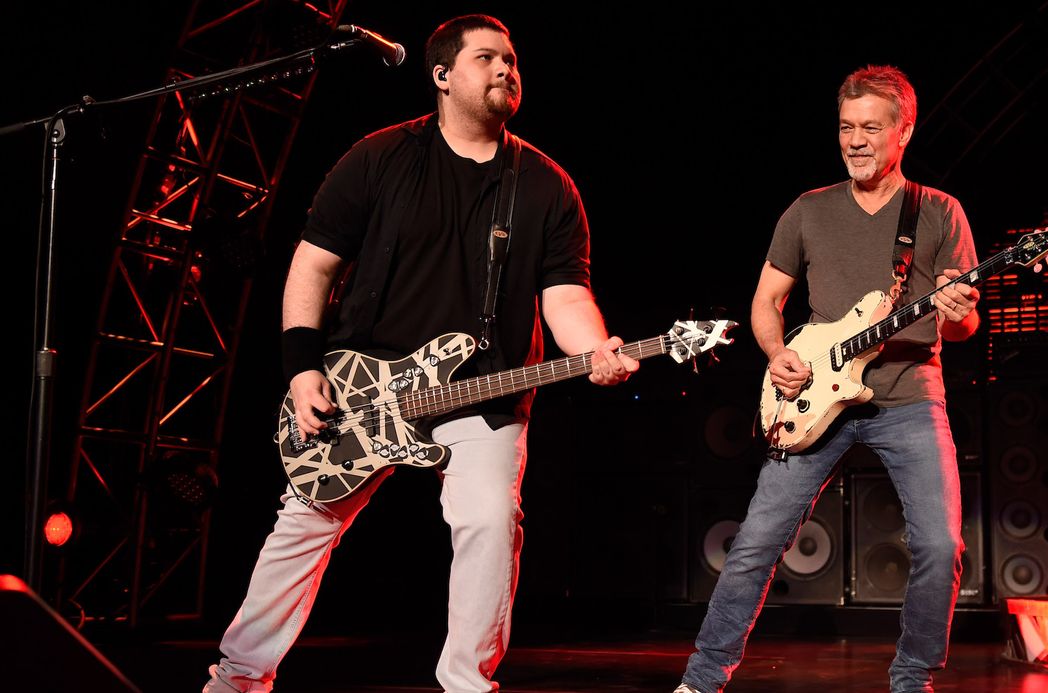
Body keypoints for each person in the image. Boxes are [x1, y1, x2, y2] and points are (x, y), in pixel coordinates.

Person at [204, 15, 638, 693]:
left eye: (513, 59)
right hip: (361, 384)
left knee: (491, 519)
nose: (506, 69)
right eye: (488, 57)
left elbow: (566, 298)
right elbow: (312, 268)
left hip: (482, 393)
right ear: (441, 76)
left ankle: (467, 682)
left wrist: (594, 348)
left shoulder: (548, 185)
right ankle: (237, 679)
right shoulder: (377, 158)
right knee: (304, 523)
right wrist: (300, 367)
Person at [674, 65, 980, 693]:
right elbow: (766, 303)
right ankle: (701, 681)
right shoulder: (807, 211)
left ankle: (912, 680)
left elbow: (963, 327)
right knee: (755, 542)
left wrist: (957, 312)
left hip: (910, 395)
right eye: (846, 127)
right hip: (814, 393)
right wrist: (773, 352)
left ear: (904, 132)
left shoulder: (940, 211)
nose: (856, 140)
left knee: (942, 545)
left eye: (871, 126)